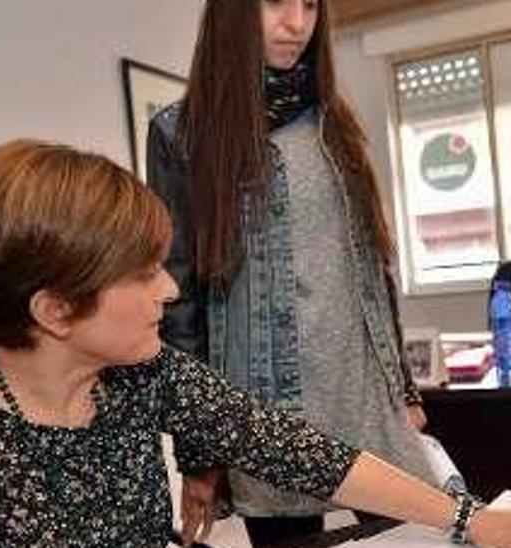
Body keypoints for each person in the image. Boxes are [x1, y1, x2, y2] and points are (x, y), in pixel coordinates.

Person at [0, 140, 511, 548]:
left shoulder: (144, 373)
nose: (169, 290)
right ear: (56, 309)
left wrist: (470, 518)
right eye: (141, 273)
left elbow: (300, 451)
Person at [146, 0, 438, 544]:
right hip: (268, 416)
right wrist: (200, 452)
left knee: (419, 538)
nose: (297, 23)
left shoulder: (334, 121)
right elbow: (179, 305)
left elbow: (371, 264)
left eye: (309, 4)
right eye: (277, 2)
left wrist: (404, 391)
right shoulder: (182, 134)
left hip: (365, 397)